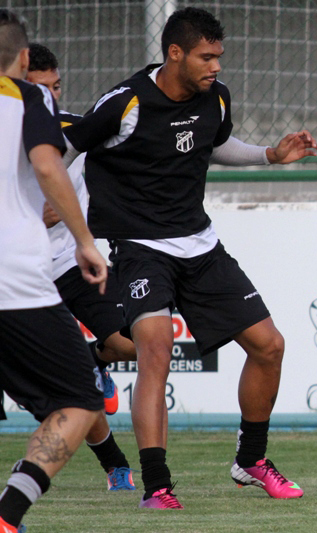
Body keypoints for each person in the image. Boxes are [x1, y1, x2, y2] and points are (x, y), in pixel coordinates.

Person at [62, 7, 317, 510]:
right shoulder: (127, 101)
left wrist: (270, 154)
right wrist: (52, 203)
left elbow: (217, 145)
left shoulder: (216, 98)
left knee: (269, 346)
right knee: (155, 349)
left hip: (200, 245)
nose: (216, 66)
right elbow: (69, 145)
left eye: (218, 56)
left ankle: (251, 460)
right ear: (175, 53)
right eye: (206, 56)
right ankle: (157, 487)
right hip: (140, 248)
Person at [0, 10, 109, 533]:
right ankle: (8, 514)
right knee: (80, 399)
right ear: (24, 59)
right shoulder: (30, 97)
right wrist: (84, 241)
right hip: (12, 280)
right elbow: (47, 165)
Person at [26, 42, 137, 492]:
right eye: (39, 90)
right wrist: (34, 215)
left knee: (134, 344)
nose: (50, 99)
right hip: (24, 276)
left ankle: (95, 362)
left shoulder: (78, 131)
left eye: (56, 87)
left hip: (75, 261)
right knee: (71, 392)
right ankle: (115, 466)